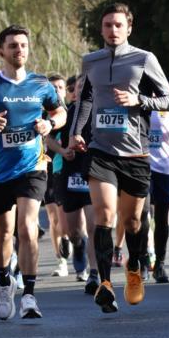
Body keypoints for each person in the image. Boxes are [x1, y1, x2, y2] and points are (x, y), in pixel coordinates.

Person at [69, 3, 169, 313]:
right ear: (101, 29)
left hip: (135, 153)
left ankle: (134, 268)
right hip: (101, 150)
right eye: (107, 25)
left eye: (118, 25)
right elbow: (85, 99)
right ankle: (104, 283)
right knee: (104, 215)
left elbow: (168, 100)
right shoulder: (91, 61)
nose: (113, 30)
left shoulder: (144, 59)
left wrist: (137, 99)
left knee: (132, 221)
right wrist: (77, 132)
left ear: (129, 28)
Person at [0, 25, 66, 321]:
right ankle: (5, 283)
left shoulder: (41, 84)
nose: (19, 50)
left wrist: (50, 124)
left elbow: (60, 112)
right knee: (3, 231)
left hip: (33, 166)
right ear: (1, 50)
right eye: (13, 45)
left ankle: (29, 294)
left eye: (23, 45)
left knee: (28, 227)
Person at [49, 74, 100, 292]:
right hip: (69, 175)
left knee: (94, 225)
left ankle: (94, 273)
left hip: (93, 173)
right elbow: (48, 139)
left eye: (85, 87)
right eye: (77, 87)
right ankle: (78, 246)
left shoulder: (99, 113)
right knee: (73, 232)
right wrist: (63, 151)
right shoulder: (66, 113)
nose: (80, 91)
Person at [43, 74, 72, 277]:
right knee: (54, 218)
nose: (57, 91)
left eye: (60, 87)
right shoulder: (39, 114)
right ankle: (61, 261)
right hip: (46, 169)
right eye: (52, 88)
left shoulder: (72, 113)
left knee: (70, 219)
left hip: (67, 169)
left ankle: (74, 247)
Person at [147, 108, 169, 283]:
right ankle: (142, 259)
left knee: (161, 217)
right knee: (141, 214)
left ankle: (160, 264)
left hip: (165, 165)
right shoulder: (137, 98)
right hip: (142, 163)